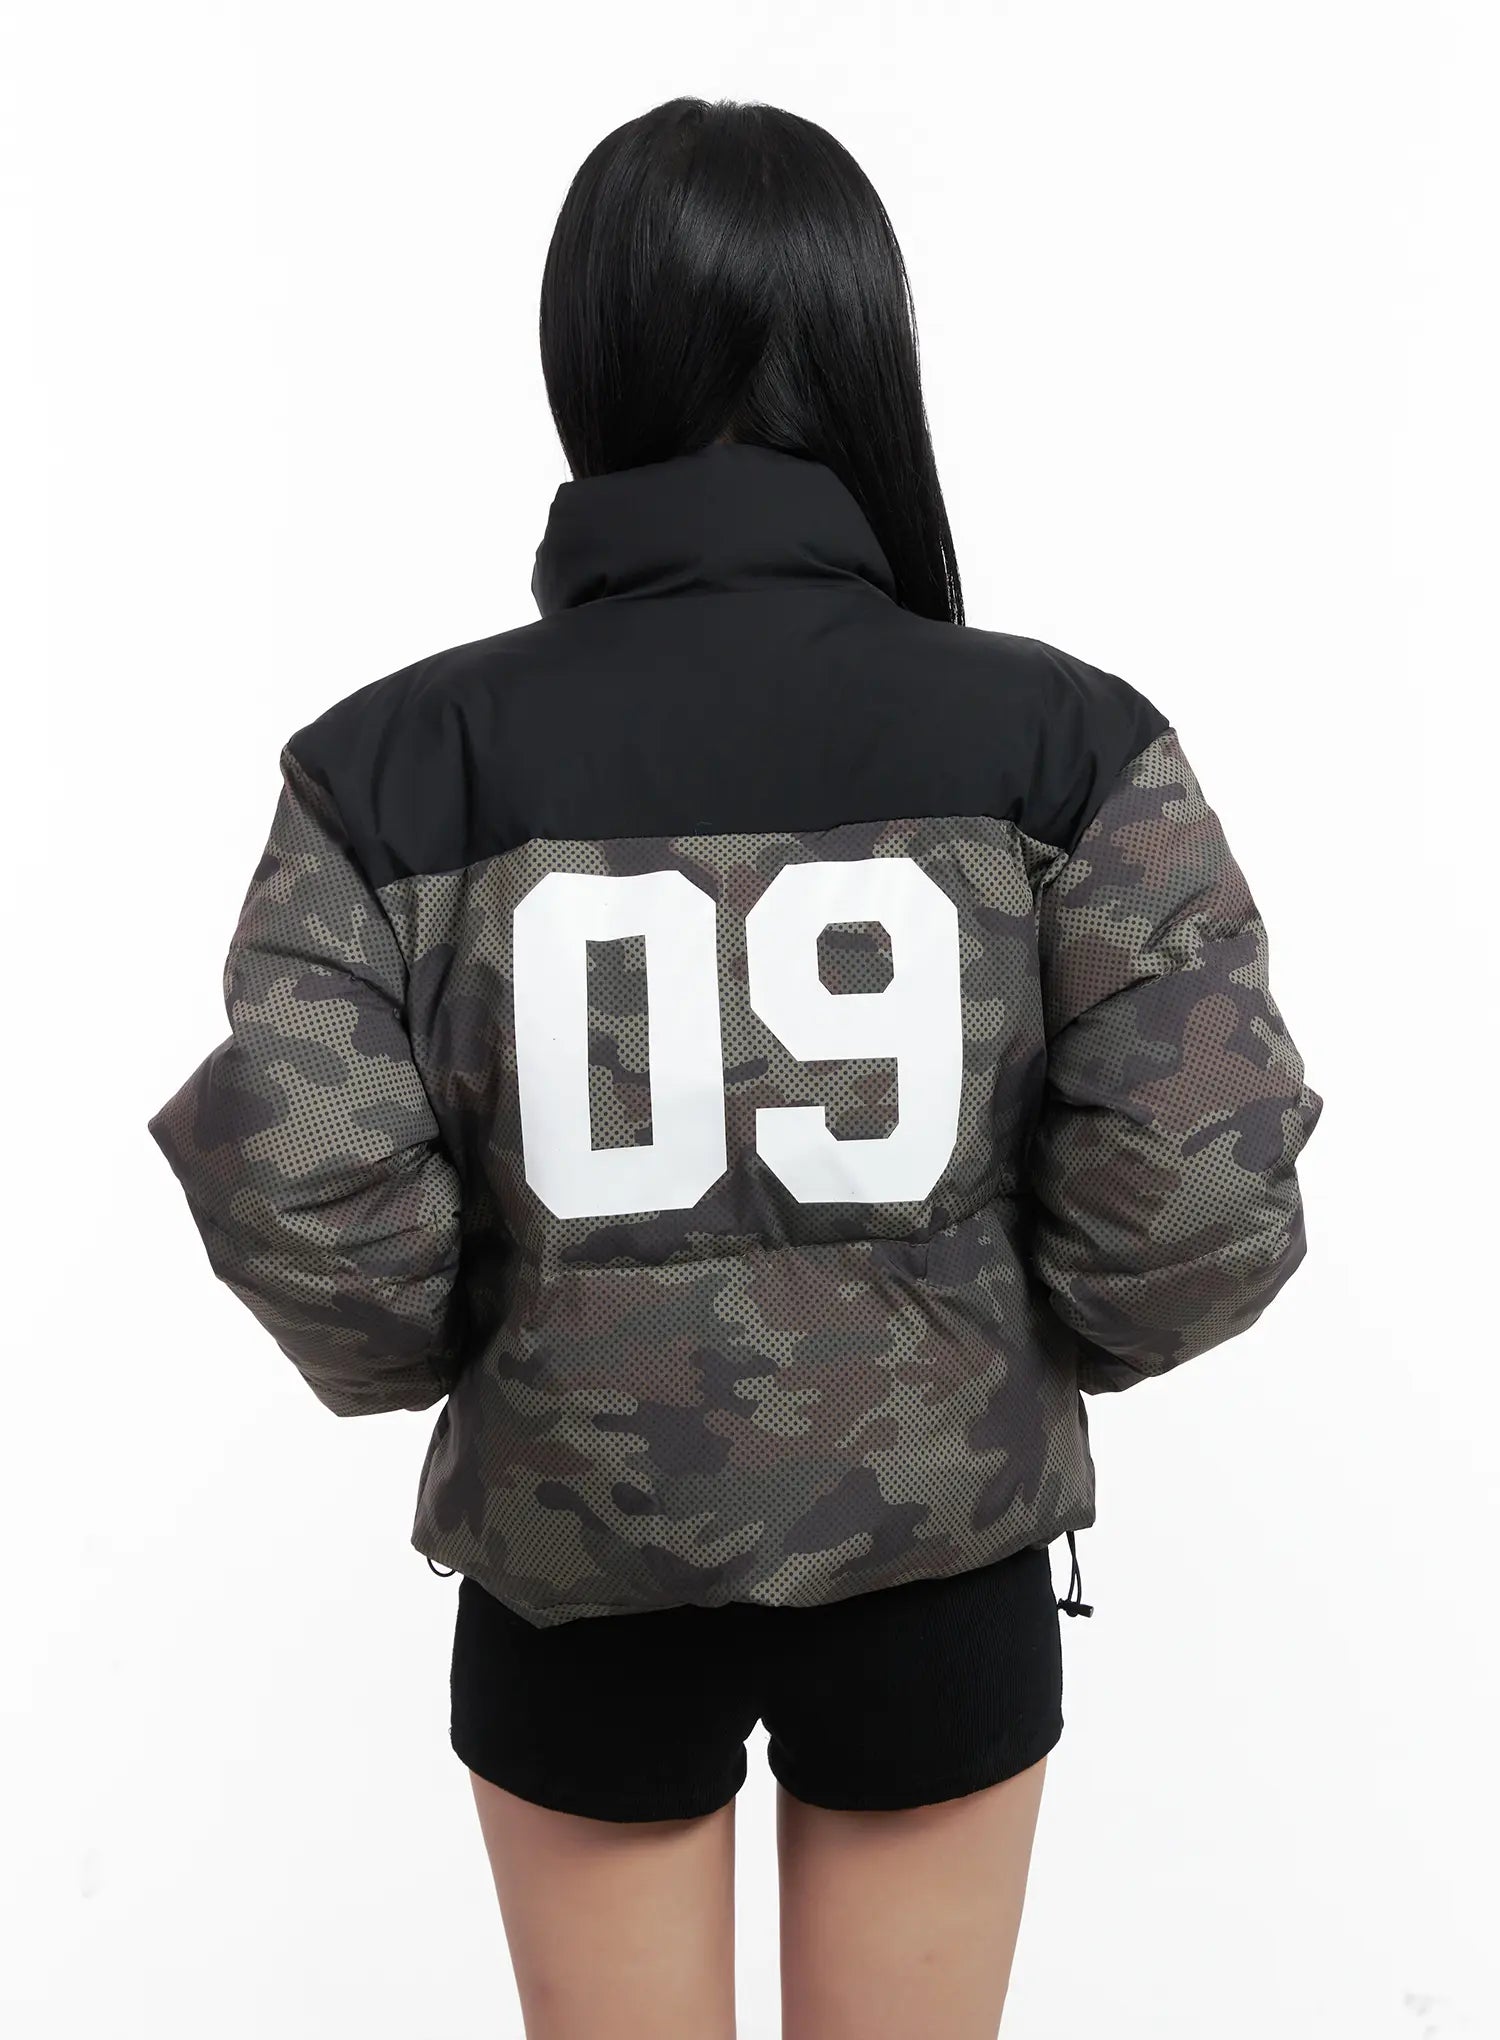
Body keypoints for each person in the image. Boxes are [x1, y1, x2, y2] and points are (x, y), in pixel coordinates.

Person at [147, 95, 1323, 2040]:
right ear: (863, 345)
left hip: (571, 1577)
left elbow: (304, 1180)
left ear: (586, 357)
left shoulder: (391, 768)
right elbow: (1201, 1168)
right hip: (940, 1568)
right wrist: (1022, 1346)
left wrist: (483, 1352)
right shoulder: (1067, 743)